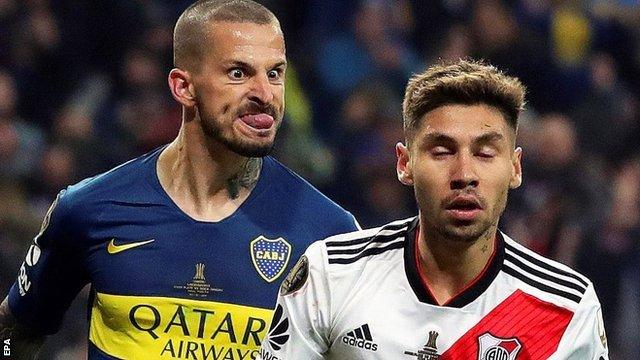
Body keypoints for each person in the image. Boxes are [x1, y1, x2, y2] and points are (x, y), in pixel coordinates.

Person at [0, 1, 359, 358]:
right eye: (238, 73)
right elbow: (13, 331)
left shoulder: (330, 233)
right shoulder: (88, 209)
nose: (265, 94)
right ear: (183, 87)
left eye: (275, 73)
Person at [260, 60, 609, 359]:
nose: (465, 175)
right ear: (405, 164)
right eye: (442, 152)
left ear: (515, 168)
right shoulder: (331, 275)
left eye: (485, 153)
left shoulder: (566, 308)